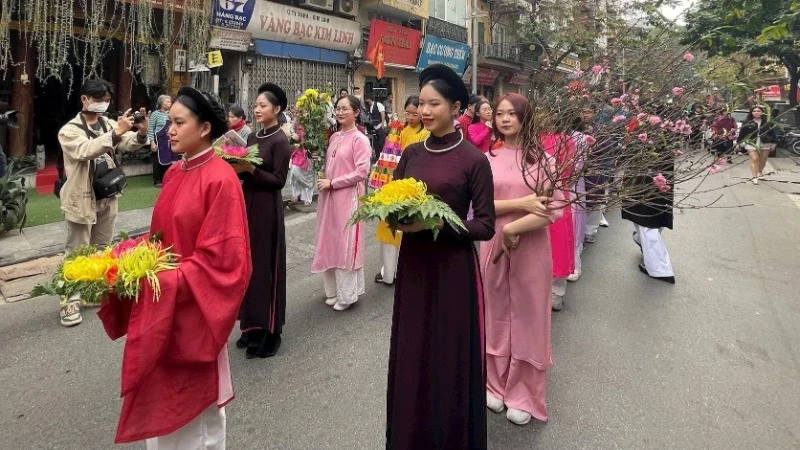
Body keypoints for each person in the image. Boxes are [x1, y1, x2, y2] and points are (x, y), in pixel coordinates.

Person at [97, 86, 252, 448]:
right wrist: (126, 258)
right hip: (163, 304)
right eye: (170, 122)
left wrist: (165, 280)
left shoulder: (221, 179)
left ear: (204, 129)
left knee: (195, 421)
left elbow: (227, 263)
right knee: (161, 411)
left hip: (192, 311)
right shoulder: (175, 173)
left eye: (179, 123)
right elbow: (159, 239)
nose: (170, 129)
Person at [386, 64, 494, 449]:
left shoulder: (473, 161)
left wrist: (436, 225)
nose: (425, 110)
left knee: (447, 354)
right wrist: (394, 218)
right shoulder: (412, 152)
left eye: (435, 104)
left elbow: (484, 225)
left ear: (456, 107)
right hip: (414, 266)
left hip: (452, 270)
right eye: (422, 103)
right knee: (413, 350)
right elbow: (394, 201)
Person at [481, 93, 563, 426]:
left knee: (529, 315)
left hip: (530, 246)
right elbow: (479, 205)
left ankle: (525, 392)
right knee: (495, 311)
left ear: (525, 118)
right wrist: (522, 204)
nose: (504, 119)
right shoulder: (486, 159)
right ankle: (495, 382)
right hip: (491, 245)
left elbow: (552, 209)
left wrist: (515, 227)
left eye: (512, 114)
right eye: (499, 113)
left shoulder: (544, 160)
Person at [57, 78, 149, 327]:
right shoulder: (69, 130)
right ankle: (69, 300)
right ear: (85, 99)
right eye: (99, 100)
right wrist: (116, 132)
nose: (103, 105)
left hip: (107, 194)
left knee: (101, 247)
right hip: (81, 197)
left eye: (107, 101)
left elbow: (126, 142)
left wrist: (140, 133)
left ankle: (91, 291)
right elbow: (86, 150)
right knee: (76, 251)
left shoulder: (107, 123)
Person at [231, 83, 292, 359]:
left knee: (265, 268)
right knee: (248, 266)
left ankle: (269, 331)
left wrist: (250, 169)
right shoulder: (254, 137)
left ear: (277, 110)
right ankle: (250, 326)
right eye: (255, 105)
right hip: (248, 206)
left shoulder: (280, 141)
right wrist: (234, 165)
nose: (257, 109)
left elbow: (278, 181)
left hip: (267, 208)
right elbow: (246, 169)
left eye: (263, 105)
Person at [311, 95, 372, 311]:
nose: (340, 112)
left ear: (356, 113)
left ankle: (347, 295)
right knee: (330, 240)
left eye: (345, 109)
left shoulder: (360, 139)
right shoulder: (334, 136)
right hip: (330, 195)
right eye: (337, 108)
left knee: (345, 243)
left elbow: (361, 172)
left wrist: (333, 182)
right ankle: (333, 291)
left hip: (348, 196)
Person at [369, 95, 429, 286]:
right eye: (408, 113)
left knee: (405, 230)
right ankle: (388, 271)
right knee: (387, 228)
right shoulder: (399, 129)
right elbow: (388, 154)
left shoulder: (425, 134)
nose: (411, 117)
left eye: (414, 113)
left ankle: (400, 270)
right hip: (392, 184)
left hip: (410, 186)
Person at [621, 106, 676, 284]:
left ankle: (661, 269)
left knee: (648, 226)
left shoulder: (649, 138)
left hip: (646, 188)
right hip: (651, 188)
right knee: (646, 225)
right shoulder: (663, 136)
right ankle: (649, 253)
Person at [541, 121, 576, 311]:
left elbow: (567, 170)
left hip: (555, 193)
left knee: (559, 243)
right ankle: (549, 289)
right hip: (538, 194)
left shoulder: (566, 140)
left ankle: (557, 290)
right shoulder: (535, 138)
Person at [737, 105, 777, 184]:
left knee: (763, 160)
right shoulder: (747, 122)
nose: (756, 113)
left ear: (762, 112)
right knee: (754, 158)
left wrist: (774, 143)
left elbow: (773, 133)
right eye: (754, 111)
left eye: (758, 111)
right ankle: (754, 177)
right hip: (751, 143)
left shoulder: (767, 122)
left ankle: (760, 172)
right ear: (751, 113)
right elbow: (742, 134)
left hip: (765, 142)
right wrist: (739, 143)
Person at [148, 95, 174, 187]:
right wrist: (152, 142)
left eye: (170, 102)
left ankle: (167, 178)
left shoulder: (171, 114)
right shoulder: (155, 114)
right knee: (157, 160)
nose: (169, 103)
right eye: (167, 101)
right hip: (158, 139)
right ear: (161, 103)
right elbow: (150, 129)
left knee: (169, 159)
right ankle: (157, 180)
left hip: (168, 139)